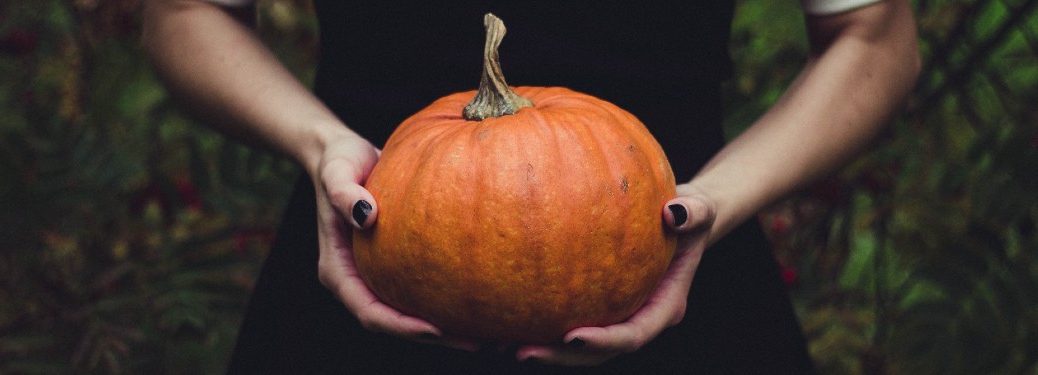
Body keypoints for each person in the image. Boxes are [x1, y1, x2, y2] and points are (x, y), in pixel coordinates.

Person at [142, 0, 919, 373]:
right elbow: (185, 13)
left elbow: (876, 36)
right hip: (370, 244)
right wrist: (321, 147)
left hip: (673, 259)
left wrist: (716, 200)